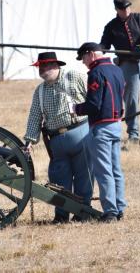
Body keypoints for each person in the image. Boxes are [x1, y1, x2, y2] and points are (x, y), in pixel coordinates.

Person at [24, 52, 92, 223]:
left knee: (84, 176)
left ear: (56, 65)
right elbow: (34, 116)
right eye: (41, 66)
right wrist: (30, 140)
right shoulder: (39, 91)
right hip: (56, 141)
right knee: (59, 179)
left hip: (80, 132)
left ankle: (83, 212)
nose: (43, 69)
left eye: (47, 65)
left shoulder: (74, 76)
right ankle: (61, 215)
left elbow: (92, 99)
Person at [74, 42, 126, 222]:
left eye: (84, 58)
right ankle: (120, 207)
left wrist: (77, 108)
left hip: (101, 126)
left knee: (104, 171)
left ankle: (110, 211)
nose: (84, 62)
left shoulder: (96, 73)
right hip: (116, 123)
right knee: (116, 170)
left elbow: (93, 104)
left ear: (91, 54)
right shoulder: (117, 70)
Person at [100, 0, 140, 143]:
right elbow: (104, 45)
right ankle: (134, 134)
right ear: (116, 9)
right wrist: (94, 49)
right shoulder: (111, 26)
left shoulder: (139, 18)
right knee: (131, 100)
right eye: (123, 8)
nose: (126, 10)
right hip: (127, 64)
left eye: (128, 7)